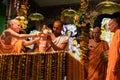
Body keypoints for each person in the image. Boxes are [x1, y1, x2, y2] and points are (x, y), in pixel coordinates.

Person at [106, 12, 120, 80]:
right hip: (112, 66)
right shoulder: (115, 34)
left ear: (116, 24)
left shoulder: (119, 33)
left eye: (110, 25)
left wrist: (116, 66)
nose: (108, 27)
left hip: (115, 68)